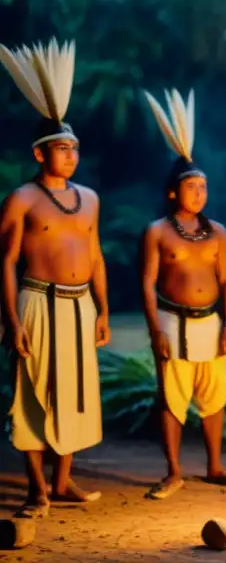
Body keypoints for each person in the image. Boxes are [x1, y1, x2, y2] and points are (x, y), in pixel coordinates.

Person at [0, 39, 109, 518]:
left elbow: (97, 256)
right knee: (34, 390)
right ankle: (36, 489)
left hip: (80, 302)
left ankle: (63, 482)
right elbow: (5, 261)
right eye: (62, 149)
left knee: (78, 393)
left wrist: (103, 310)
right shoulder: (21, 198)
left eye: (75, 148)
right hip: (37, 301)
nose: (72, 155)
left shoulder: (89, 198)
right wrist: (12, 320)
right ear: (40, 154)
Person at [138, 88, 226, 499]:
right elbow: (147, 283)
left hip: (211, 321)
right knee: (172, 397)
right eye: (192, 187)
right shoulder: (158, 231)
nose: (200, 193)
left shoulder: (218, 232)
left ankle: (215, 466)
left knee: (214, 396)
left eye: (203, 187)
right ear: (173, 192)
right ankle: (172, 471)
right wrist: (156, 330)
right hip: (172, 320)